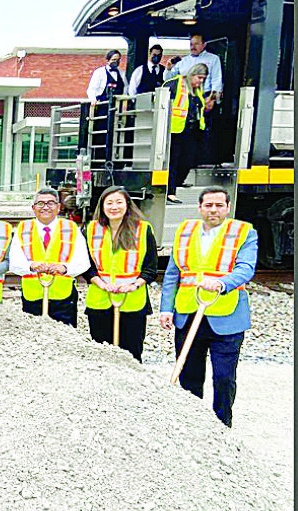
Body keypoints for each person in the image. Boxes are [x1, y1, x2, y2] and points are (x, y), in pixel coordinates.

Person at [160, 187, 257, 427]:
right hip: (188, 313)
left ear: (227, 207)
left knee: (224, 378)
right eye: (208, 205)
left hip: (226, 316)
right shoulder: (185, 231)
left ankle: (222, 425)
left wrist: (221, 283)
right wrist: (166, 308)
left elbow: (246, 269)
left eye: (219, 205)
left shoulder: (244, 232)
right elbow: (173, 273)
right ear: (200, 207)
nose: (213, 210)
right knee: (189, 375)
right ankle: (191, 426)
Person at [82, 186, 158, 361]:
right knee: (102, 353)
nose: (114, 207)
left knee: (131, 354)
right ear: (102, 206)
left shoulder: (143, 229)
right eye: (109, 203)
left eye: (119, 202)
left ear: (127, 205)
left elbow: (151, 268)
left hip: (133, 301)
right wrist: (101, 284)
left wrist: (133, 285)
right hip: (100, 299)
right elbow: (85, 266)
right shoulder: (91, 229)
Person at [8, 187, 90, 327]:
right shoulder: (23, 228)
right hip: (32, 297)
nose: (45, 207)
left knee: (63, 341)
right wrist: (30, 266)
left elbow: (83, 261)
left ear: (58, 207)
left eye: (50, 203)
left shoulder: (71, 228)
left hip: (63, 298)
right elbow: (14, 261)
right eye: (40, 203)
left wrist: (65, 268)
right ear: (33, 208)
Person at [167, 34, 223, 165]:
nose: (193, 47)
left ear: (204, 45)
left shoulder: (213, 59)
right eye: (191, 44)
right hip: (186, 100)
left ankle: (203, 160)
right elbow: (170, 78)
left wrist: (213, 99)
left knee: (204, 133)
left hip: (205, 97)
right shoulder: (184, 61)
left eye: (196, 44)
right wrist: (169, 68)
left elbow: (216, 79)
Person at [163, 63, 209, 205]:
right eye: (199, 78)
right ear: (192, 74)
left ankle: (177, 183)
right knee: (173, 161)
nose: (200, 81)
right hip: (174, 131)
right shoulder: (174, 84)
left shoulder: (197, 91)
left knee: (188, 160)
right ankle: (170, 191)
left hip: (191, 131)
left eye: (203, 79)